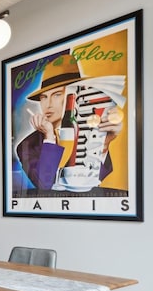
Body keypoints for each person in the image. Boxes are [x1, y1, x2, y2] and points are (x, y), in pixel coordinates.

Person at [16, 54, 122, 190]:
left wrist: (105, 144)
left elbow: (97, 178)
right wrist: (49, 137)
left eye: (57, 95)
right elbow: (44, 184)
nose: (48, 104)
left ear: (74, 95)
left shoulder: (89, 132)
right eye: (44, 97)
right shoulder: (27, 145)